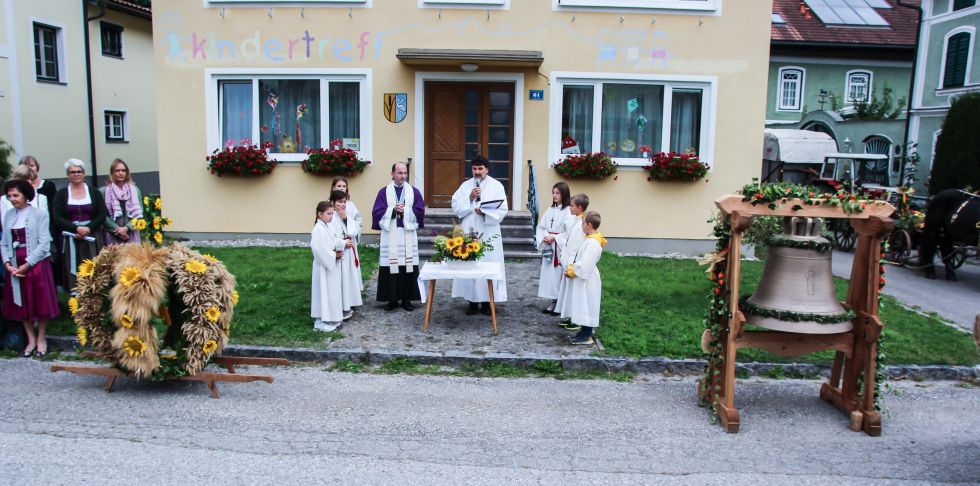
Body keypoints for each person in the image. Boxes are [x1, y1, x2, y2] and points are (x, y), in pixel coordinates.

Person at [1, 179, 59, 357]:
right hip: (15, 265)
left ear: (26, 195)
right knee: (22, 302)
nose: (12, 199)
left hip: (35, 264)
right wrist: (8, 264)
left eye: (16, 195)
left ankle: (41, 338)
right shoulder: (9, 215)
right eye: (10, 196)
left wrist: (27, 264)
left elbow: (44, 244)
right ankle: (30, 339)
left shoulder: (39, 214)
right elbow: (4, 242)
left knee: (39, 301)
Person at [451, 156, 509, 316]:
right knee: (470, 264)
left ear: (487, 169)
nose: (477, 172)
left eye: (480, 168)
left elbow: (502, 209)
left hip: (488, 231)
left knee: (488, 263)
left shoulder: (496, 186)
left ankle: (487, 301)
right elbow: (456, 206)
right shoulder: (465, 186)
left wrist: (485, 212)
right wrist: (470, 198)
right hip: (469, 230)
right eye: (474, 169)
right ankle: (472, 301)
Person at [371, 162, 425, 311]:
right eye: (400, 173)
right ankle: (392, 300)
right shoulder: (383, 192)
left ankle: (407, 300)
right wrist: (393, 210)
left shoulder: (414, 192)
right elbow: (377, 212)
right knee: (391, 266)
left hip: (407, 233)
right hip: (391, 234)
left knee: (408, 266)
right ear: (392, 174)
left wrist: (405, 211)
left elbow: (420, 211)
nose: (403, 176)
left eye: (405, 173)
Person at [52, 159, 106, 293]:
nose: (76, 174)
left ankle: (94, 296)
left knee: (93, 266)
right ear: (67, 175)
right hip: (71, 236)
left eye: (79, 171)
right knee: (74, 268)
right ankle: (76, 298)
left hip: (92, 235)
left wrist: (88, 228)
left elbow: (102, 215)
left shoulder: (94, 192)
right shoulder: (61, 194)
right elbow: (57, 217)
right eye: (72, 172)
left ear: (84, 173)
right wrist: (75, 229)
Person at [560, 211, 605, 345]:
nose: (581, 226)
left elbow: (585, 263)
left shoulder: (593, 243)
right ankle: (583, 332)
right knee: (583, 304)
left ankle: (586, 335)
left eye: (583, 223)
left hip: (588, 279)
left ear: (589, 225)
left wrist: (572, 270)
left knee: (587, 305)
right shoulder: (589, 239)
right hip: (584, 277)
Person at [536, 182, 572, 314]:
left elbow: (569, 232)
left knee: (558, 275)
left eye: (558, 193)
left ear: (564, 194)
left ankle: (560, 303)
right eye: (553, 193)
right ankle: (553, 301)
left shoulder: (568, 211)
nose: (555, 195)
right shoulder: (550, 210)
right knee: (550, 277)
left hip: (560, 248)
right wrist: (546, 236)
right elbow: (541, 227)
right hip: (549, 247)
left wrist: (555, 237)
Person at [554, 193, 589, 323]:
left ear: (579, 208)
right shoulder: (575, 220)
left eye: (572, 206)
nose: (569, 207)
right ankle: (570, 316)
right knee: (568, 291)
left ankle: (576, 319)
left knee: (575, 292)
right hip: (568, 260)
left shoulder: (581, 224)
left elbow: (575, 245)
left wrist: (569, 262)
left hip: (573, 262)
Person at [310, 200, 345, 332]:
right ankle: (319, 321)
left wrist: (342, 243)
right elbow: (319, 250)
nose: (331, 216)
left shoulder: (326, 226)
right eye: (329, 214)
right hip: (322, 266)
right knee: (321, 292)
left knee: (329, 291)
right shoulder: (318, 229)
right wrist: (334, 255)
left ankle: (329, 317)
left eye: (332, 214)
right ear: (320, 214)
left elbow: (333, 240)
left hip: (329, 265)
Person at [329, 189, 363, 320]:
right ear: (332, 202)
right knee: (338, 282)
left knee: (347, 280)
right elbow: (329, 236)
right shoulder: (329, 216)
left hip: (348, 254)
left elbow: (353, 231)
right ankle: (338, 307)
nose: (342, 204)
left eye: (344, 202)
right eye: (339, 202)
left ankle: (347, 304)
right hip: (339, 252)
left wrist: (345, 218)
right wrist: (342, 244)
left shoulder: (345, 214)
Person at [101, 159, 144, 245]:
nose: (121, 173)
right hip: (112, 233)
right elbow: (102, 215)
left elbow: (140, 213)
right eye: (117, 170)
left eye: (123, 170)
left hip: (131, 232)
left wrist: (127, 228)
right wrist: (118, 230)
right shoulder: (103, 191)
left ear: (127, 173)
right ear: (112, 173)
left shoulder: (135, 190)